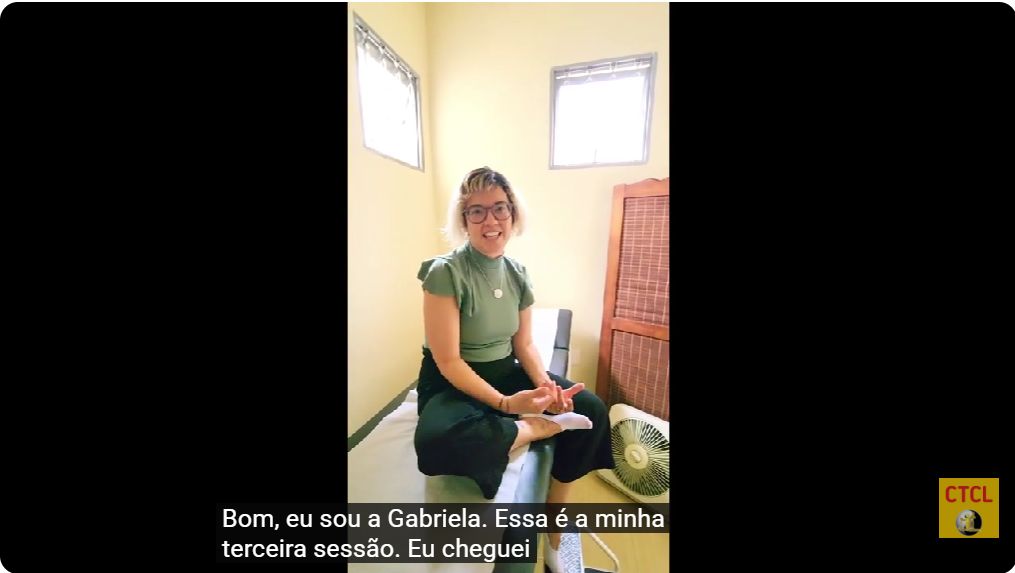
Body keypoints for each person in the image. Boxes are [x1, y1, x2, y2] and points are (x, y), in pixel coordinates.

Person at [413, 166, 614, 572]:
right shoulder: (444, 272)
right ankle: (534, 428)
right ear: (464, 219)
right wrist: (507, 405)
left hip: (504, 368)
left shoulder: (518, 272)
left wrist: (546, 387)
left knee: (591, 408)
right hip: (452, 381)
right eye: (477, 211)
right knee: (436, 441)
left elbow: (524, 344)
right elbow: (448, 360)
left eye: (499, 208)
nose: (490, 220)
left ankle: (554, 536)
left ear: (513, 213)